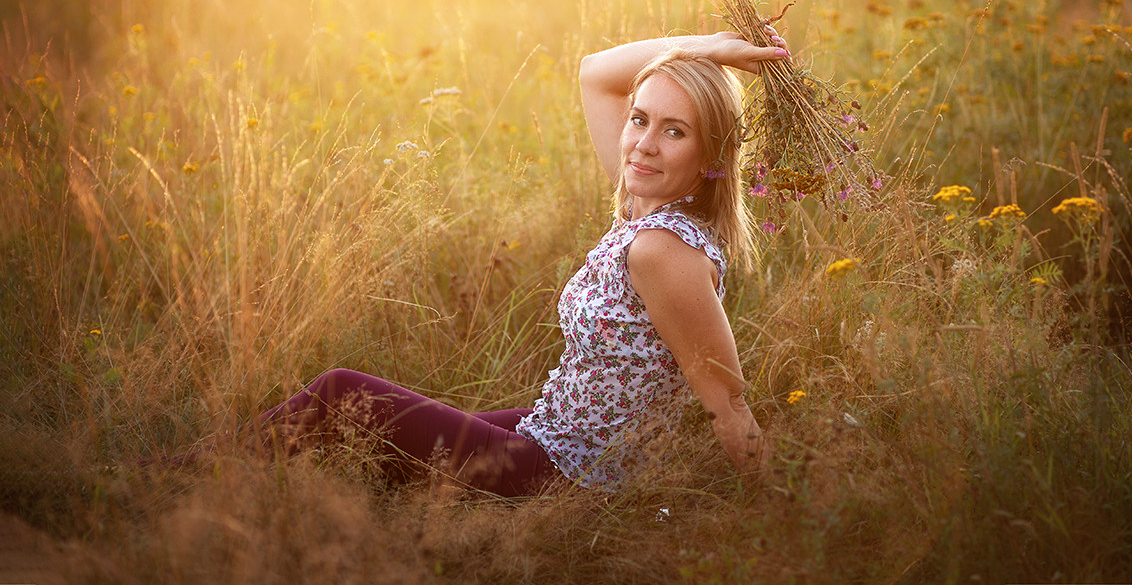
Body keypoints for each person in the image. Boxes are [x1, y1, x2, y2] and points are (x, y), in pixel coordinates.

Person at [241, 28, 789, 497]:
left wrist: (774, 524)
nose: (643, 144)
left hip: (571, 476)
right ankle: (236, 482)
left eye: (675, 130)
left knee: (342, 393)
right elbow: (596, 73)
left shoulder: (661, 250)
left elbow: (729, 406)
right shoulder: (643, 202)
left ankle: (196, 475)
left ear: (710, 155)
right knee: (367, 447)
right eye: (639, 119)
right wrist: (709, 49)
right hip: (549, 435)